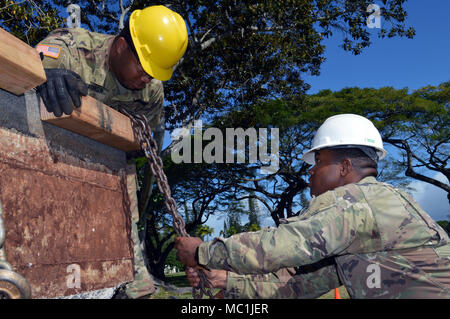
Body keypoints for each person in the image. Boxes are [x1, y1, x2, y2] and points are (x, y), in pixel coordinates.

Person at [175, 114, 450, 299]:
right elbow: (300, 285)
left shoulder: (355, 202)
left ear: (344, 167)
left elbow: (285, 244)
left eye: (318, 161)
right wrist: (225, 281)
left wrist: (202, 252)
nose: (310, 171)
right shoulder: (372, 211)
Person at [36, 5, 188, 298]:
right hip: (47, 159)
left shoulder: (151, 91)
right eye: (143, 68)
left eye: (154, 73)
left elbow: (145, 142)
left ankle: (131, 284)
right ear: (120, 46)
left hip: (106, 174)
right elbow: (28, 63)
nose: (147, 79)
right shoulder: (71, 45)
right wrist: (43, 76)